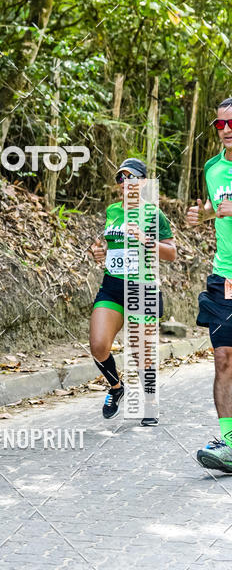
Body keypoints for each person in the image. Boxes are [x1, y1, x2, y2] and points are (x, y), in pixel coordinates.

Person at [88, 157, 176, 424]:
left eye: (131, 177)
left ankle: (150, 402)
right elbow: (111, 247)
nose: (125, 182)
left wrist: (146, 240)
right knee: (98, 346)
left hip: (143, 288)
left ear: (144, 182)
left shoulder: (153, 214)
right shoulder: (112, 211)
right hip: (113, 286)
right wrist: (100, 253)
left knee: (140, 351)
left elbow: (171, 253)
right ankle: (117, 387)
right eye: (121, 177)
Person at [188, 98, 232, 472]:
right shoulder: (212, 169)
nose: (226, 130)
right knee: (223, 358)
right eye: (220, 125)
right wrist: (200, 216)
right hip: (225, 278)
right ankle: (230, 443)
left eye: (231, 123)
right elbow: (214, 212)